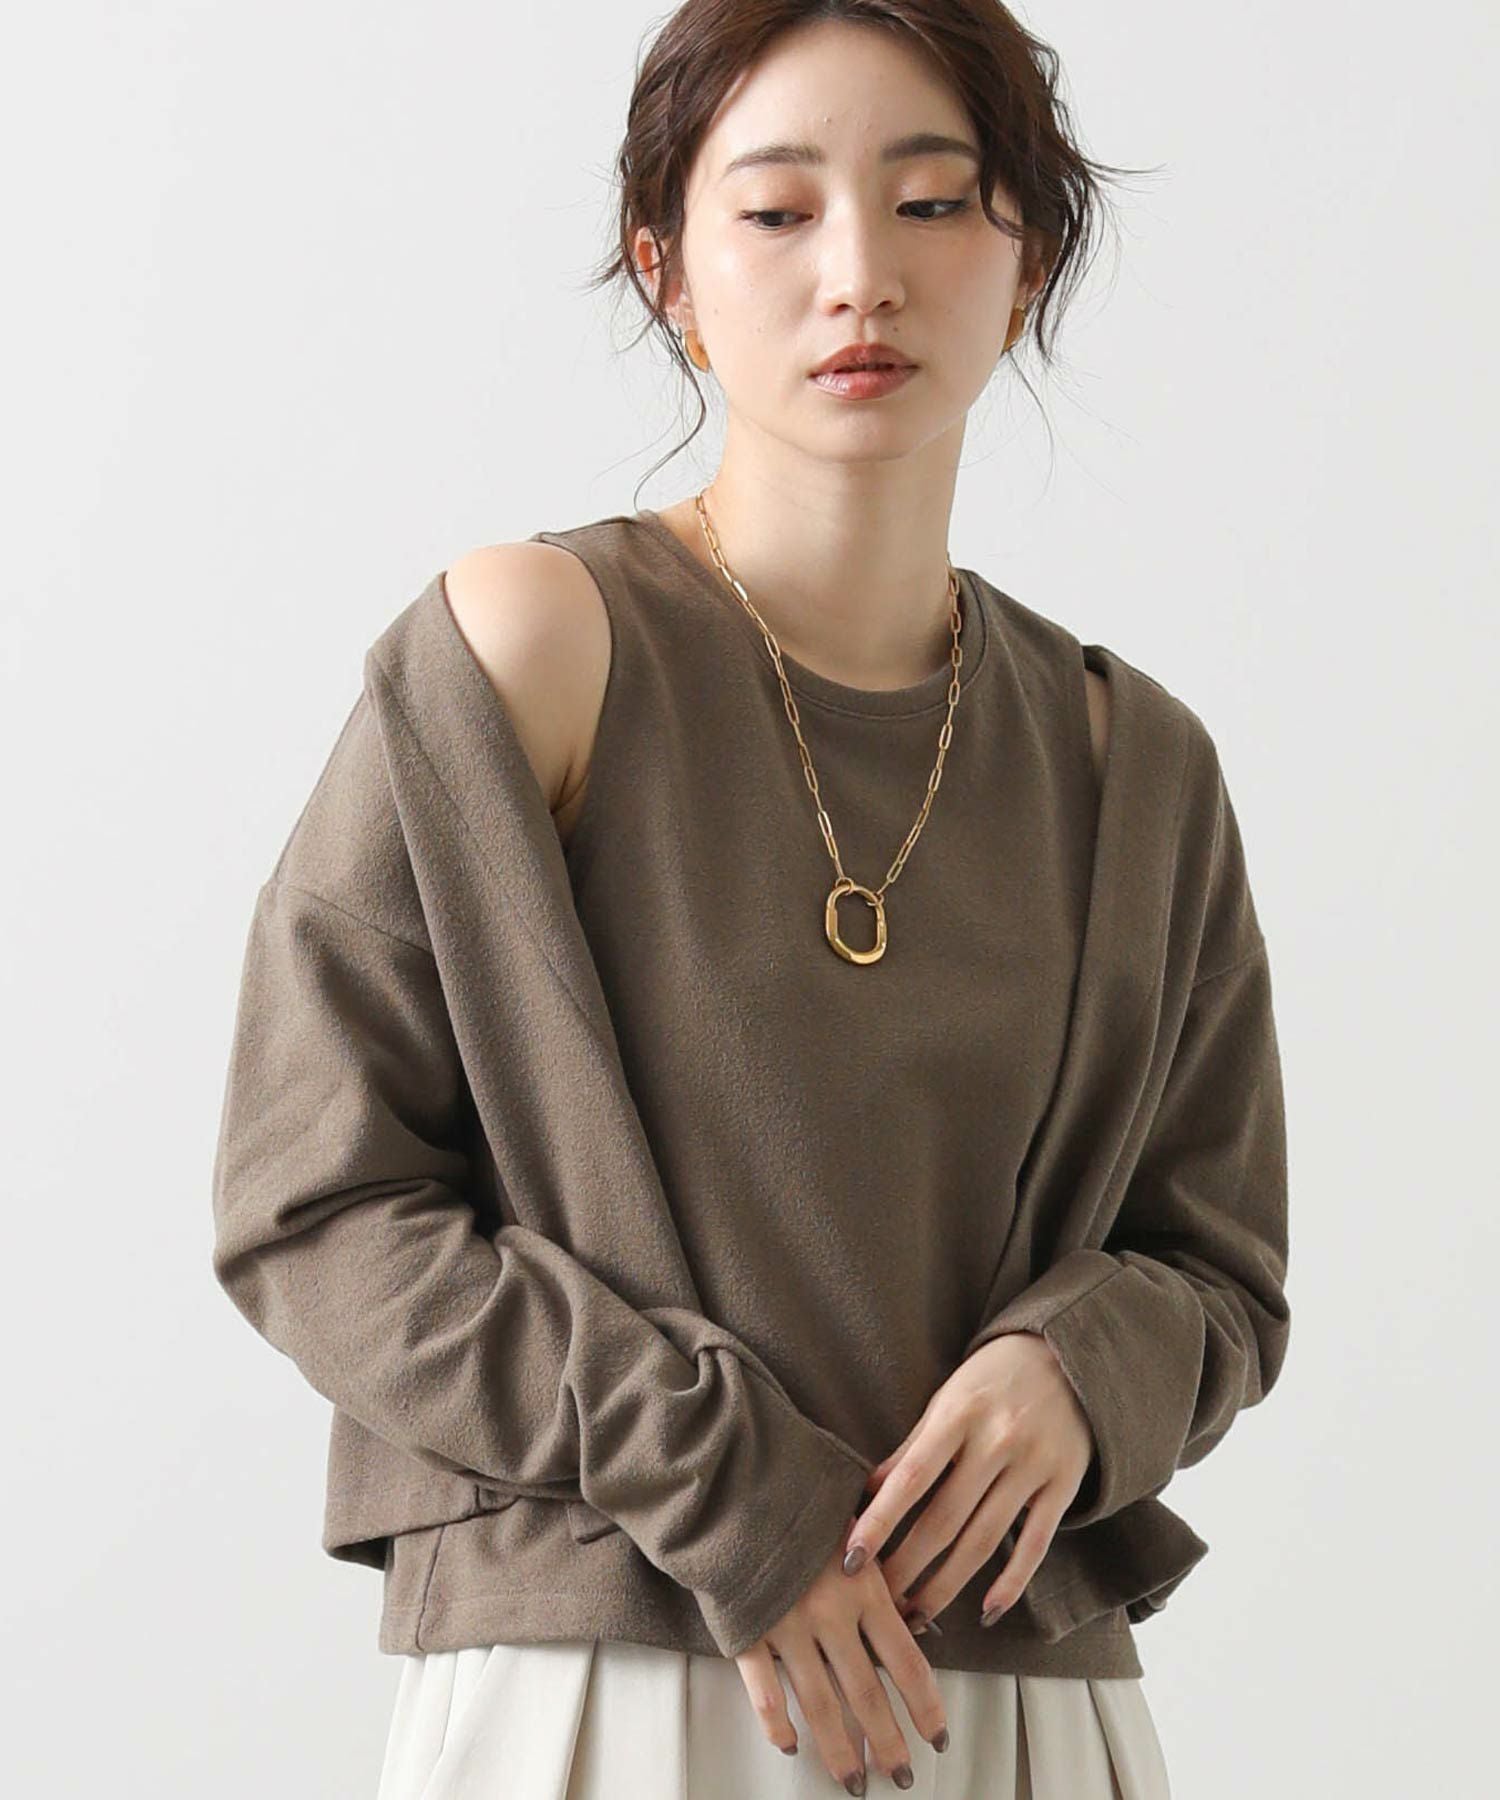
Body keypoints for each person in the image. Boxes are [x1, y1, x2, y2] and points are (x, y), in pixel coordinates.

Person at [212, 5, 1291, 1796]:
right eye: (778, 213)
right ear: (670, 274)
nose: (859, 274)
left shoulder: (1132, 765)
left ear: (1027, 258)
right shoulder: (528, 653)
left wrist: (1080, 1372)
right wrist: (724, 1482)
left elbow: (1223, 1271)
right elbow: (311, 1205)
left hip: (1009, 1703)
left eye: (933, 203)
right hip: (612, 1686)